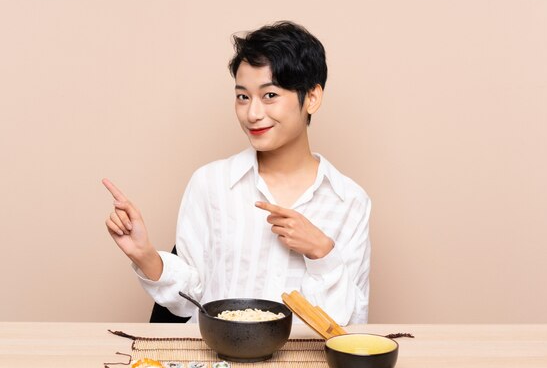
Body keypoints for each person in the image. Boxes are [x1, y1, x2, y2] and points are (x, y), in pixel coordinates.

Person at [103, 21, 371, 325]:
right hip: (218, 366)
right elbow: (191, 300)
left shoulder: (349, 201)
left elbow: (352, 326)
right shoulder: (210, 184)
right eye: (243, 97)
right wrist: (144, 255)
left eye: (270, 95)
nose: (252, 113)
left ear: (312, 98)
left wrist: (323, 253)